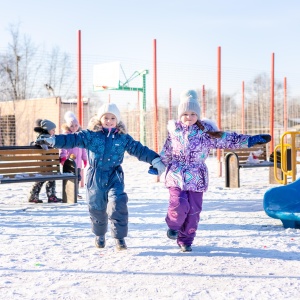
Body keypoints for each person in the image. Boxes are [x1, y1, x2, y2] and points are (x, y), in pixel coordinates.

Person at [36, 103, 165, 251]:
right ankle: (100, 235)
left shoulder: (122, 138)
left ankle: (119, 238)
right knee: (96, 207)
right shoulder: (91, 135)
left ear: (117, 120)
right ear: (100, 118)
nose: (109, 121)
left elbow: (139, 149)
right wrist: (53, 140)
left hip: (114, 175)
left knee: (118, 203)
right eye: (106, 117)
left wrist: (154, 159)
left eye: (112, 118)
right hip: (95, 176)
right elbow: (71, 139)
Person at [159, 90, 271, 252]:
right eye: (185, 114)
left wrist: (250, 140)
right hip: (176, 174)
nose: (188, 117)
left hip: (197, 176)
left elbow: (229, 139)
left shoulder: (206, 133)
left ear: (197, 115)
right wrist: (158, 164)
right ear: (179, 115)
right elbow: (167, 151)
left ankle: (186, 240)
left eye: (192, 114)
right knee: (179, 203)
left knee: (193, 212)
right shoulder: (174, 132)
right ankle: (174, 226)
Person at [28, 119, 63, 203]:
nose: (54, 132)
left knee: (43, 179)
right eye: (53, 130)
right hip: (45, 163)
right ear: (47, 130)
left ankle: (34, 195)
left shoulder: (44, 136)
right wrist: (46, 147)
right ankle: (51, 196)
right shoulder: (45, 137)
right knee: (48, 178)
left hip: (46, 163)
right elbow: (40, 143)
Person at [60, 111, 88, 199]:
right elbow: (63, 147)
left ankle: (75, 193)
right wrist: (63, 157)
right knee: (70, 178)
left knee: (78, 177)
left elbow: (83, 148)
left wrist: (85, 158)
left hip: (78, 162)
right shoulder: (66, 136)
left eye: (76, 125)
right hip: (70, 162)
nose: (74, 128)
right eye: (71, 126)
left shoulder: (79, 136)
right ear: (68, 126)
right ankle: (69, 193)